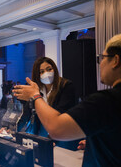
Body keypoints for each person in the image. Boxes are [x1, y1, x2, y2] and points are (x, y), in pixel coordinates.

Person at [13, 34, 121, 166]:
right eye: (41, 71)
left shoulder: (105, 101)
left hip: (62, 140)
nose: (100, 63)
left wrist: (35, 96)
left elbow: (57, 127)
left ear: (115, 60)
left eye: (102, 58)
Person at [17, 56, 76, 147]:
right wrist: (12, 130)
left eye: (49, 69)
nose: (46, 73)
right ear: (37, 75)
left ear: (54, 69)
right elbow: (26, 114)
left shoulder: (66, 86)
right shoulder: (37, 89)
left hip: (62, 136)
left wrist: (53, 139)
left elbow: (62, 113)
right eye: (42, 72)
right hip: (41, 133)